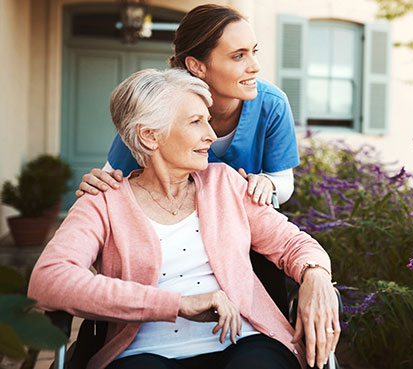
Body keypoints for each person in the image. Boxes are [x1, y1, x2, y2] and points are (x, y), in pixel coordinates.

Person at [28, 69, 340, 369]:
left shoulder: (225, 184)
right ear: (150, 136)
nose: (210, 134)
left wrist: (315, 275)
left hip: (246, 342)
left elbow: (294, 244)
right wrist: (176, 304)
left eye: (208, 120)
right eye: (196, 122)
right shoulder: (103, 200)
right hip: (143, 352)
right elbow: (49, 280)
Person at [77, 4, 298, 207]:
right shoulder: (157, 104)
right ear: (196, 66)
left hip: (240, 233)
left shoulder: (272, 104)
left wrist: (269, 183)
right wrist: (98, 183)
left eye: (253, 51)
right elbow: (113, 174)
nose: (255, 67)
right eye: (238, 56)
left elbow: (283, 181)